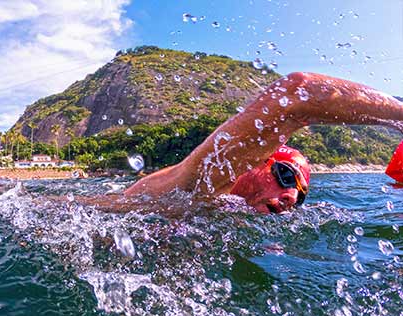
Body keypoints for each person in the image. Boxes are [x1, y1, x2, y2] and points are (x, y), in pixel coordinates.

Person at [123, 72, 403, 213]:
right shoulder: (201, 182)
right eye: (285, 175)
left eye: (300, 197)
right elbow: (299, 92)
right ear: (256, 159)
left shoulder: (223, 210)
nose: (291, 196)